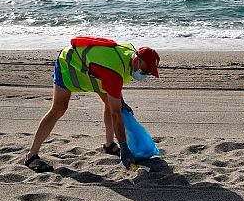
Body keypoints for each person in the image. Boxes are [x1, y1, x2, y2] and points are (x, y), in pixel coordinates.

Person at [23, 39, 160, 173]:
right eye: (144, 72)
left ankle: (109, 144)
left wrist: (121, 102)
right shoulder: (113, 73)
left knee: (111, 103)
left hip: (93, 70)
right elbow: (116, 113)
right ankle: (31, 156)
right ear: (136, 61)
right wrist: (124, 147)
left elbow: (114, 82)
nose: (145, 76)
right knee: (58, 109)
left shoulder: (129, 55)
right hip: (69, 63)